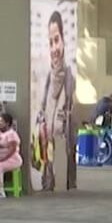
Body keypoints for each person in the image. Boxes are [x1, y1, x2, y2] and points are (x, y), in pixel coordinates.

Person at [36, 11, 72, 191]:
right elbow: (43, 108)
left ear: (64, 40)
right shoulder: (49, 78)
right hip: (47, 146)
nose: (54, 48)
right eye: (50, 42)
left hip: (60, 144)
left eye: (56, 40)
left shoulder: (69, 76)